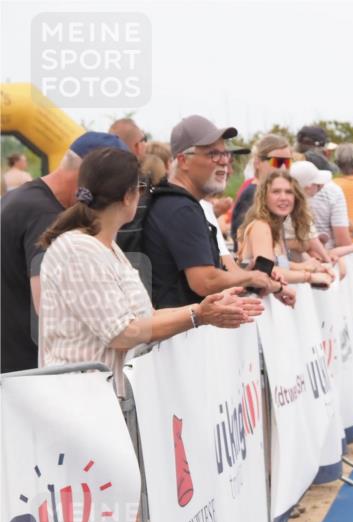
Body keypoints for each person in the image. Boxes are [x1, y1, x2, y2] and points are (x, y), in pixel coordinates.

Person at [38, 147, 262, 395]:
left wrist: (210, 307)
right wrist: (198, 314)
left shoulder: (106, 247)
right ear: (127, 196)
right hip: (80, 403)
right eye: (141, 189)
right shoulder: (79, 250)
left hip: (101, 401)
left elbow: (147, 318)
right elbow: (122, 333)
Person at [1, 132, 129, 373]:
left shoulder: (18, 198)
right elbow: (47, 308)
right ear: (88, 176)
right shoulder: (47, 217)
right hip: (27, 374)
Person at [143, 115, 287, 309]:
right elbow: (204, 282)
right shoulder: (182, 208)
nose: (224, 163)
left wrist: (245, 274)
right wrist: (251, 277)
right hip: (180, 334)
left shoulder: (177, 202)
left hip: (182, 331)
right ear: (184, 160)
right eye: (213, 154)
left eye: (226, 155)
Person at [238, 170, 331, 290]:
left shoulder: (276, 227)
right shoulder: (261, 226)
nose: (283, 197)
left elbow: (279, 265)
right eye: (276, 192)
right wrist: (309, 277)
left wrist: (309, 267)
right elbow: (266, 271)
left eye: (288, 192)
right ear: (264, 197)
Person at [289, 160, 353, 259]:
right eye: (318, 186)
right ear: (308, 187)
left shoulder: (301, 209)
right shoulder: (295, 211)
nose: (322, 187)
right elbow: (315, 242)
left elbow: (312, 242)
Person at [231, 134, 294, 255]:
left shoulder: (278, 194)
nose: (283, 167)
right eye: (277, 161)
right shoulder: (251, 194)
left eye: (287, 162)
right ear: (257, 163)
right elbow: (245, 249)